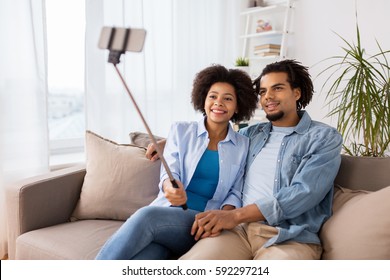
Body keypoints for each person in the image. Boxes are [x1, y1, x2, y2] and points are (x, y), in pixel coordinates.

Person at [176, 59, 343, 260]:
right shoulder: (250, 134)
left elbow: (305, 192)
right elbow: (213, 138)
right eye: (263, 91)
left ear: (296, 93)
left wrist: (234, 215)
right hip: (236, 232)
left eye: (277, 88)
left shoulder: (323, 137)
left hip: (288, 237)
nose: (268, 97)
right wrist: (164, 143)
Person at [95, 64, 258, 259]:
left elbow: (236, 192)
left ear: (238, 106)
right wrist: (170, 188)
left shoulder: (243, 145)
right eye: (213, 96)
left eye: (228, 98)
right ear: (203, 99)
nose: (219, 103)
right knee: (145, 259)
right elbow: (169, 172)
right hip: (168, 218)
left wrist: (223, 217)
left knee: (146, 216)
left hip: (203, 222)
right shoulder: (180, 131)